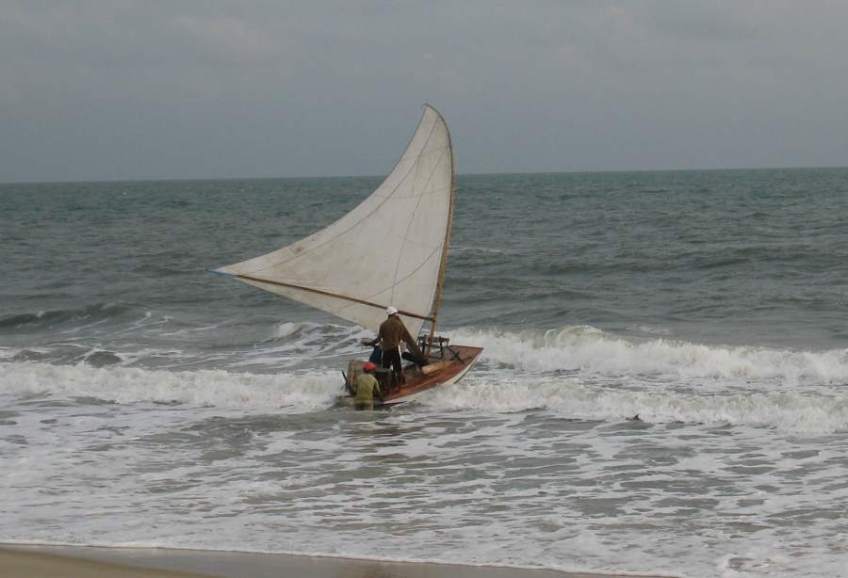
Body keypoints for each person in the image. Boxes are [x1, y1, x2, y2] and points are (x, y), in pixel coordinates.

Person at [367, 306, 421, 388]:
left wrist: (371, 343)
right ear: (395, 314)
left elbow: (379, 338)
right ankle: (400, 384)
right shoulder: (399, 324)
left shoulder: (383, 324)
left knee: (385, 368)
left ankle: (384, 385)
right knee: (397, 367)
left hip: (386, 349)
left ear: (388, 314)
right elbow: (401, 337)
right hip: (395, 348)